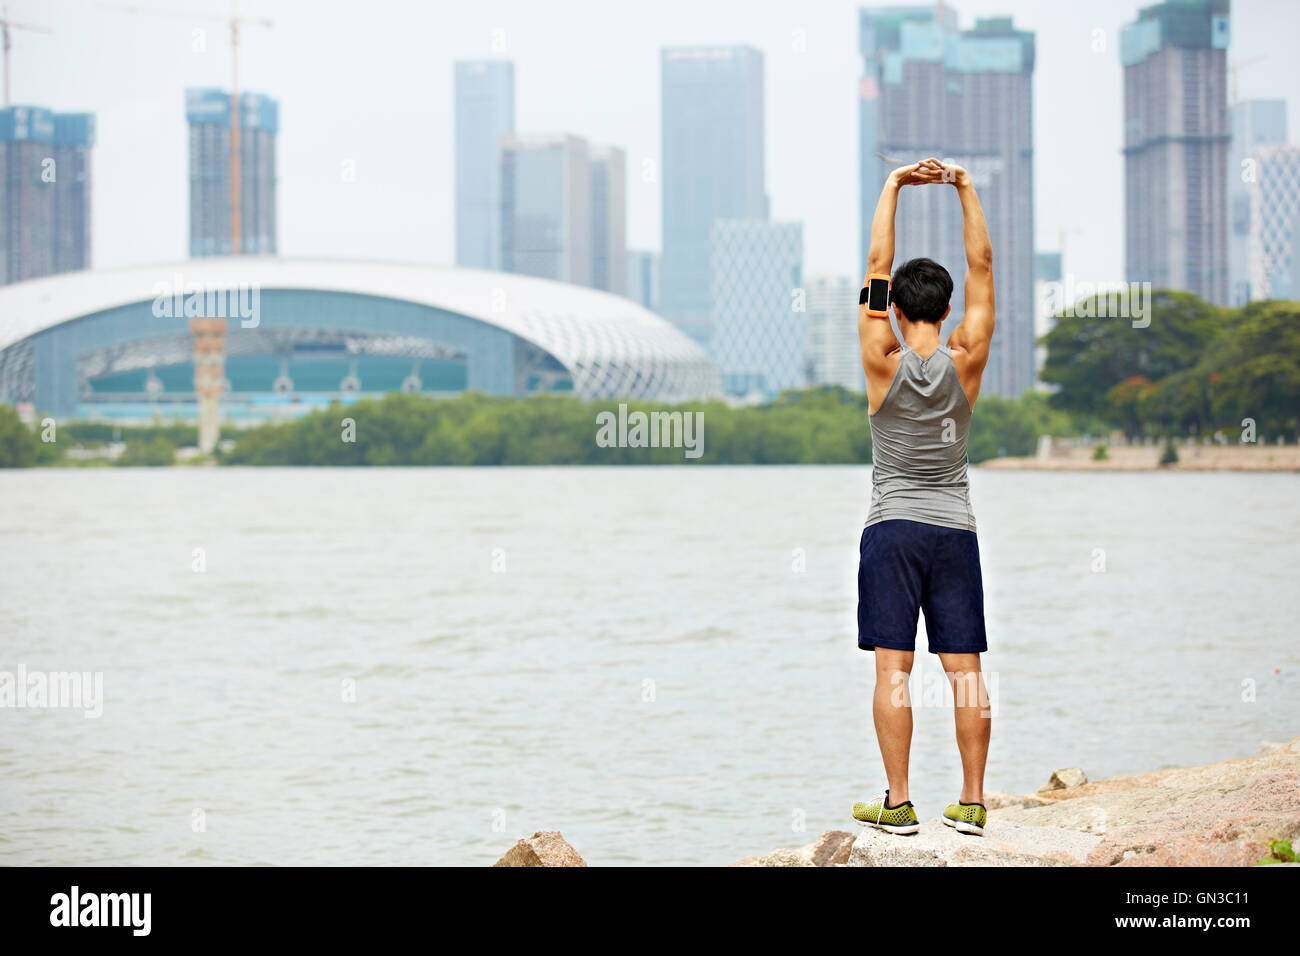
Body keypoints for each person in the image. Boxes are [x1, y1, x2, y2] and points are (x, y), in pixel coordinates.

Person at [849, 158, 996, 837]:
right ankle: (971, 802)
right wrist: (964, 187)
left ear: (898, 311)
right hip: (954, 531)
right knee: (964, 669)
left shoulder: (881, 356)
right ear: (945, 309)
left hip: (893, 530)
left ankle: (900, 804)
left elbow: (877, 261)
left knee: (893, 670)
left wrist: (894, 185)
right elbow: (984, 271)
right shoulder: (968, 355)